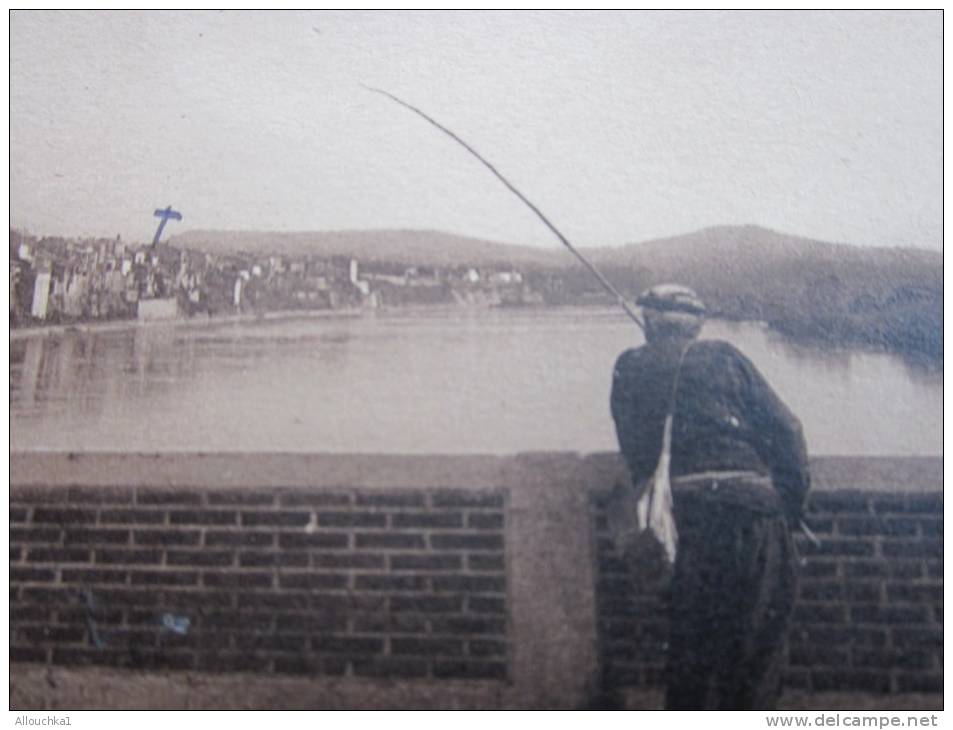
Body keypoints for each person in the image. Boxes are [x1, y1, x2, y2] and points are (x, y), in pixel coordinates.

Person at [610, 283, 810, 710]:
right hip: (755, 514)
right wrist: (789, 508)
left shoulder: (628, 366)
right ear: (696, 326)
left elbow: (638, 454)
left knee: (691, 653)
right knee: (757, 652)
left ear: (648, 323)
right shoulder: (723, 356)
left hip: (689, 522)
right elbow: (788, 431)